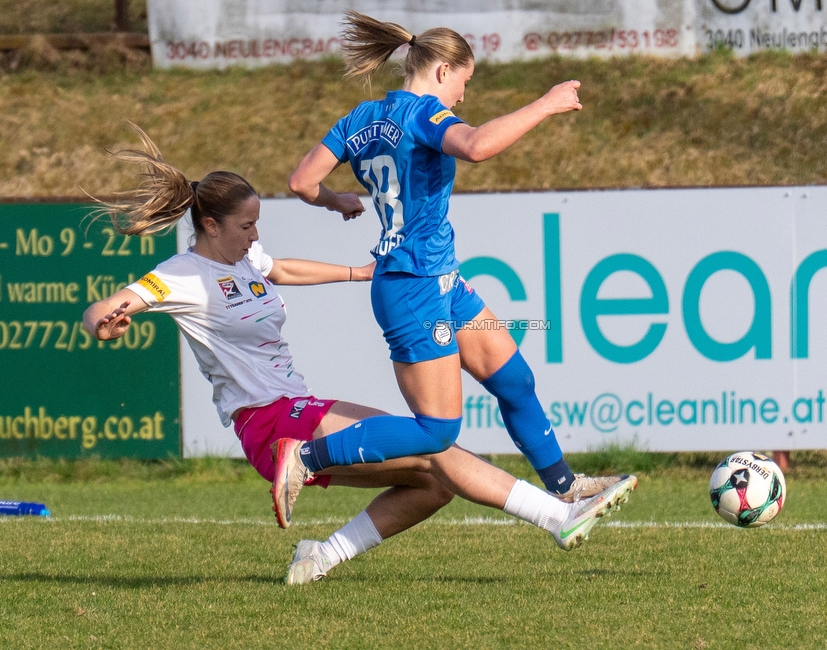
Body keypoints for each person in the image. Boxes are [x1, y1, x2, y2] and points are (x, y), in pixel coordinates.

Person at [82, 124, 638, 585]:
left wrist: (358, 272)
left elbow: (284, 268)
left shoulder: (244, 260)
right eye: (246, 226)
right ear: (209, 225)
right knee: (437, 443)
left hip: (297, 406)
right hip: (270, 422)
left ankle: (321, 556)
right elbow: (106, 308)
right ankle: (558, 517)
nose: (255, 237)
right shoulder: (182, 274)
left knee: (435, 483)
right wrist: (106, 320)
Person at [281, 10, 622, 517]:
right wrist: (545, 105)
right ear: (442, 71)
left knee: (515, 381)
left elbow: (301, 182)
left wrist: (339, 201)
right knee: (437, 431)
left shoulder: (358, 119)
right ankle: (305, 457)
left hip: (441, 281)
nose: (463, 96)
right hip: (412, 288)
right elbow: (478, 146)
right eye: (464, 81)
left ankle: (565, 486)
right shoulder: (424, 114)